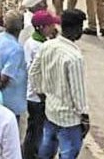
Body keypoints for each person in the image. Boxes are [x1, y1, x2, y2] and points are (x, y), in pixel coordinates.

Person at [30, 9, 90, 159]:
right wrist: (84, 116)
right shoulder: (75, 58)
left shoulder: (47, 46)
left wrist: (41, 93)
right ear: (76, 29)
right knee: (68, 153)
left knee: (46, 150)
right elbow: (78, 92)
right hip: (70, 118)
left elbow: (33, 72)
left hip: (50, 110)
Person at [23, 9, 60, 158]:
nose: (53, 28)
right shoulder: (39, 47)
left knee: (34, 130)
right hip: (38, 96)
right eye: (50, 25)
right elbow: (37, 73)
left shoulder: (33, 42)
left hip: (34, 95)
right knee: (36, 132)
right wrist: (43, 95)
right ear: (41, 27)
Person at [0, 11, 27, 119]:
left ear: (4, 24)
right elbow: (5, 78)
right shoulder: (17, 50)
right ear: (22, 26)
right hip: (9, 101)